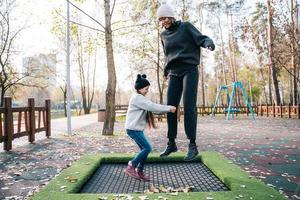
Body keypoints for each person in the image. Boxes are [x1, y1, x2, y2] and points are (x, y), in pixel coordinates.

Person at [157, 3, 215, 161]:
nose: (164, 22)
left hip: (189, 70)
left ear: (172, 16)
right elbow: (167, 54)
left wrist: (208, 43)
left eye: (166, 18)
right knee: (171, 108)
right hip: (174, 73)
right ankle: (171, 143)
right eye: (161, 19)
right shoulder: (163, 35)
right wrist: (165, 69)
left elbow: (201, 38)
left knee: (189, 106)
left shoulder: (186, 27)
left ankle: (192, 145)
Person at [124, 74, 176, 181]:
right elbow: (152, 106)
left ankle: (139, 170)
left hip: (135, 129)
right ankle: (131, 166)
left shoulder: (140, 98)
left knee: (144, 150)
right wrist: (169, 108)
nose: (147, 90)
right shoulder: (137, 98)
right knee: (148, 148)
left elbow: (153, 109)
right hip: (133, 129)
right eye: (146, 88)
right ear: (140, 88)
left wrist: (166, 109)